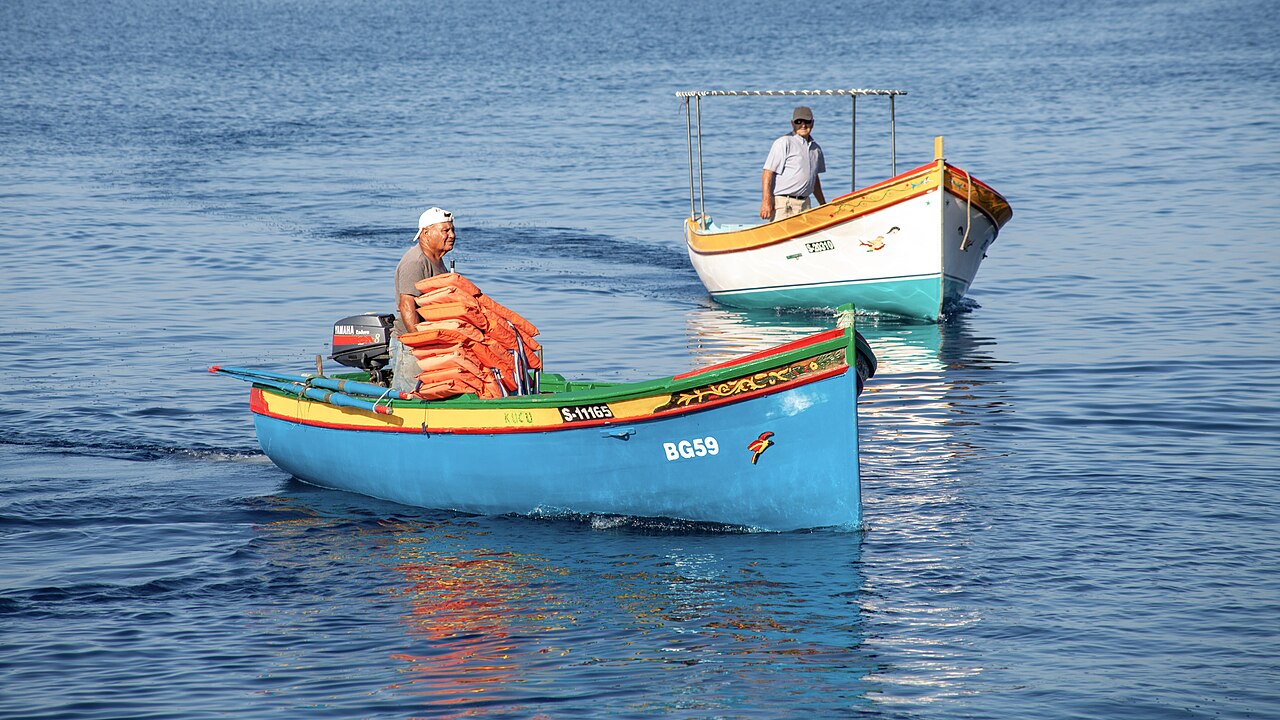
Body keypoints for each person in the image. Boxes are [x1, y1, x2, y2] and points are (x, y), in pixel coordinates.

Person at [389, 207, 456, 392]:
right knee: (411, 395)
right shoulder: (416, 262)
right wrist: (421, 345)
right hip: (411, 346)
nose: (452, 235)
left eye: (452, 229)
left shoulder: (436, 259)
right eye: (445, 230)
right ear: (426, 233)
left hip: (433, 342)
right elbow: (406, 305)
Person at [760, 106, 827, 221]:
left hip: (805, 204)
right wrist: (766, 201)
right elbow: (768, 172)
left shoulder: (816, 149)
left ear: (812, 123)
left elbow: (814, 178)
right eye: (798, 122)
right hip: (785, 204)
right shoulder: (784, 142)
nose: (803, 125)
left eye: (807, 121)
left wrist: (823, 204)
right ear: (792, 123)